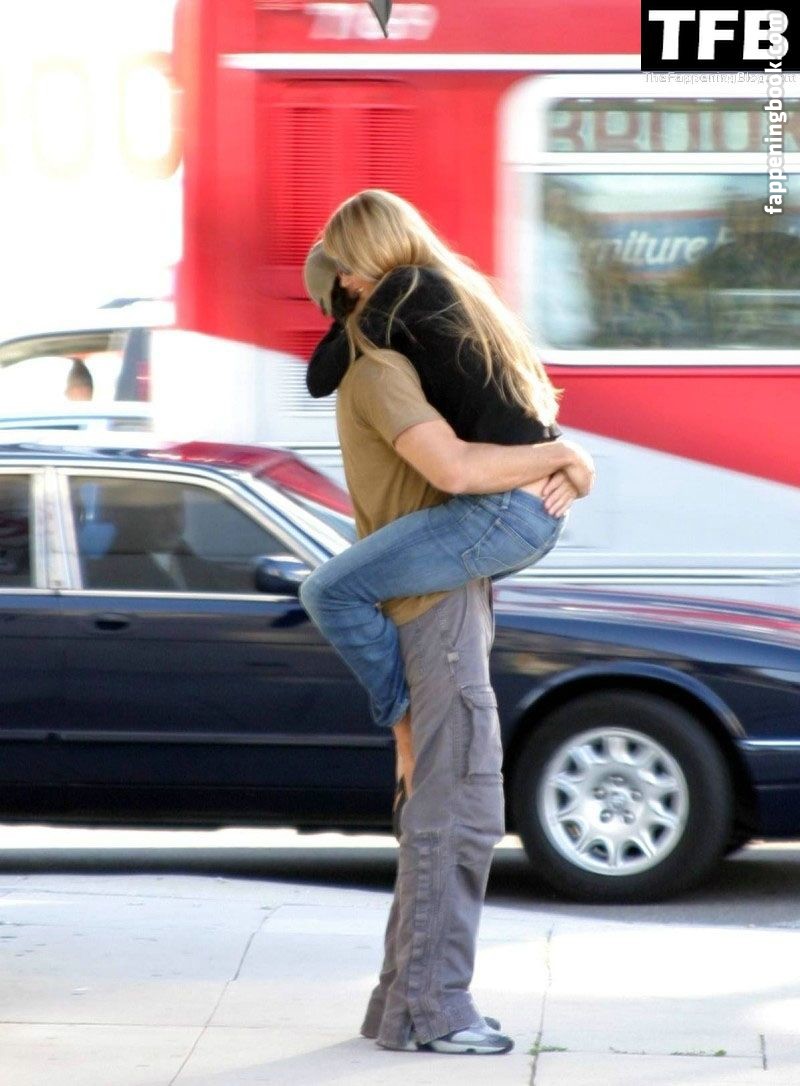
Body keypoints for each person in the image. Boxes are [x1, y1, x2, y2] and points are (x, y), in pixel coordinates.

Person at [298, 217, 590, 1056]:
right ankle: (436, 1011)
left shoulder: (387, 362)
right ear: (355, 285)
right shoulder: (383, 369)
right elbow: (457, 470)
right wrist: (561, 457)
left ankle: (403, 1003)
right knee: (459, 811)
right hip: (435, 611)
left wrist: (563, 460)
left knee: (445, 804)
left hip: (443, 596)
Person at [300, 190, 595, 817]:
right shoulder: (444, 288)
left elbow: (320, 375)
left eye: (347, 266)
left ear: (375, 255)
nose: (343, 280)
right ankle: (410, 730)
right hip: (523, 508)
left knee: (330, 592)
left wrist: (343, 303)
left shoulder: (404, 291)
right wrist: (568, 457)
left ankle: (403, 728)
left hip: (499, 510)